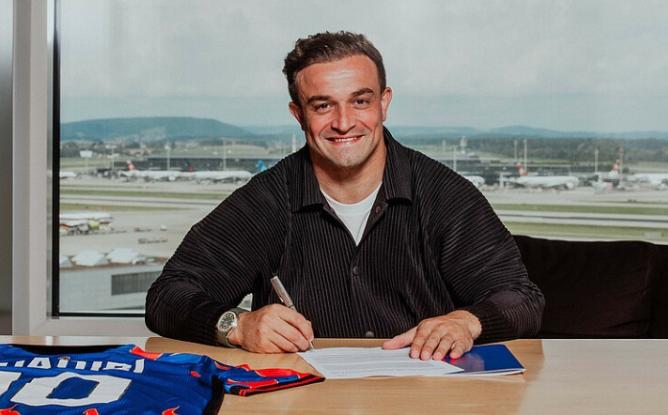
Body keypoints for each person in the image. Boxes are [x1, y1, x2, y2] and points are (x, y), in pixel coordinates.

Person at [146, 31, 544, 361]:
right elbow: (167, 297)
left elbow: (522, 299)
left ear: (384, 103)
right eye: (323, 106)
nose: (343, 122)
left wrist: (465, 322)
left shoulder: (444, 194)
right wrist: (238, 325)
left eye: (360, 101)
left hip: (425, 397)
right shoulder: (265, 201)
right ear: (298, 115)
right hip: (305, 399)